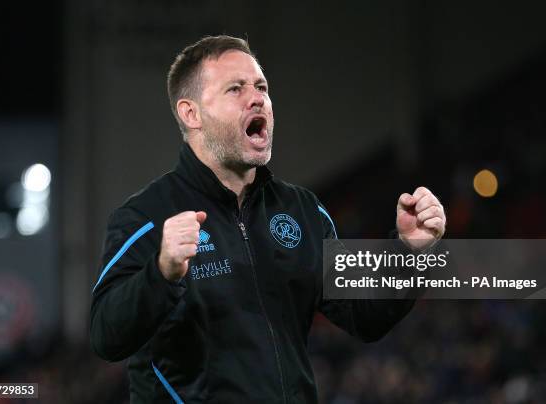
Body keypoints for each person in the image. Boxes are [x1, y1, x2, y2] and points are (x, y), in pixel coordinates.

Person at [90, 35, 446, 403]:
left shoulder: (303, 211)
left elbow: (365, 317)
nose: (257, 97)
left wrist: (410, 253)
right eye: (235, 89)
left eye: (261, 86)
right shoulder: (147, 217)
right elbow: (105, 336)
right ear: (191, 113)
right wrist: (160, 273)